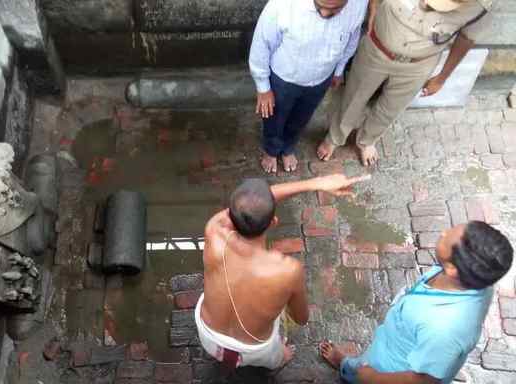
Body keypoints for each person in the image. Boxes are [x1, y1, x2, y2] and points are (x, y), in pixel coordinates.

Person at [195, 174, 370, 371]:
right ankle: (281, 359)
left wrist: (316, 183)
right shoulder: (287, 270)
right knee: (275, 358)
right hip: (255, 349)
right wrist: (315, 183)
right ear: (273, 222)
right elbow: (300, 319)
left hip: (208, 335)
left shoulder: (213, 230)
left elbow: (247, 205)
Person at [320, 221, 513, 383]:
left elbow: (423, 380)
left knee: (359, 372)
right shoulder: (476, 279)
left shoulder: (445, 330)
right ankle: (347, 366)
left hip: (391, 370)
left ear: (453, 268)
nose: (443, 232)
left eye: (447, 236)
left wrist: (373, 377)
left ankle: (344, 365)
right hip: (394, 343)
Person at [317, 0, 493, 166]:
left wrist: (441, 78)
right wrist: (373, 7)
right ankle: (335, 137)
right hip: (376, 49)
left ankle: (367, 140)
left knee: (390, 109)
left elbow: (466, 39)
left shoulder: (480, 6)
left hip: (418, 64)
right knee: (354, 97)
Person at [249, 0, 368, 174]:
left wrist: (339, 70)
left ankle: (288, 147)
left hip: (321, 80)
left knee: (301, 119)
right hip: (283, 80)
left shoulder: (359, 4)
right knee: (274, 119)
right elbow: (261, 46)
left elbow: (352, 37)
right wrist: (263, 88)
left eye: (335, 9)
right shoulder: (281, 6)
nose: (325, 14)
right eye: (319, 6)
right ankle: (271, 150)